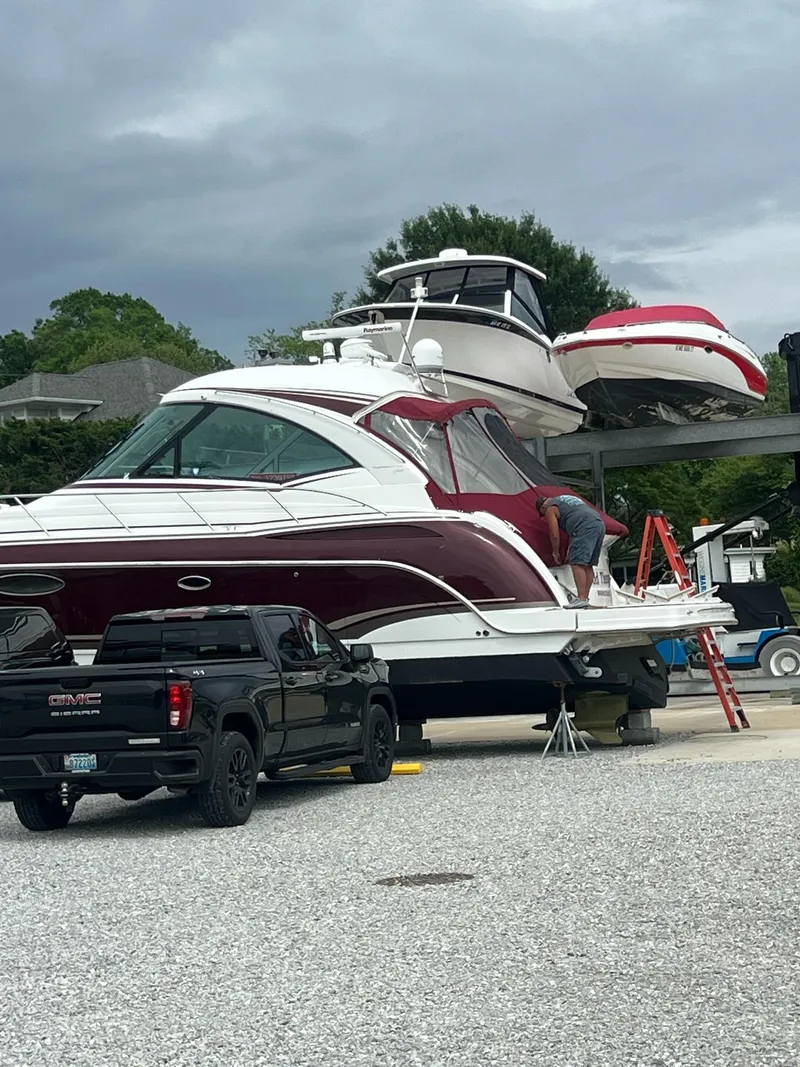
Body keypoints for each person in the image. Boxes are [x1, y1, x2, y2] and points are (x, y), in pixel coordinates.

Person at [536, 494, 606, 608]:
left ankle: (581, 599)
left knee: (577, 564)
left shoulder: (550, 508)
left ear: (543, 508)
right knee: (588, 565)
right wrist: (570, 549)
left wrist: (555, 552)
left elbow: (554, 534)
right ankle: (585, 599)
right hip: (599, 524)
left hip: (584, 526)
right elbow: (574, 524)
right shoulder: (565, 500)